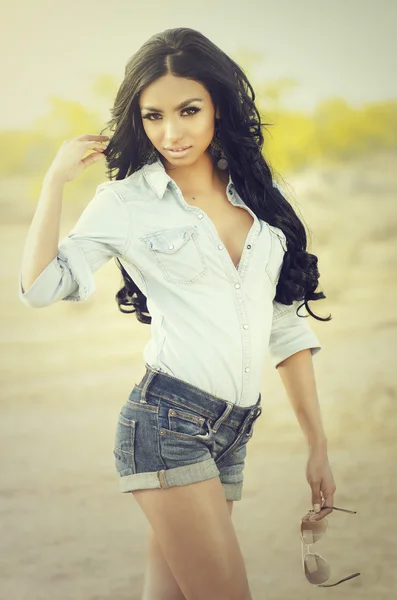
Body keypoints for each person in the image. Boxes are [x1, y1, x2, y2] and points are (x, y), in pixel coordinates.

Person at [19, 27, 336, 600]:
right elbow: (41, 287)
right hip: (168, 425)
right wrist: (53, 182)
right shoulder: (125, 202)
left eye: (188, 110)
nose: (171, 132)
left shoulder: (260, 202)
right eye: (153, 116)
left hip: (232, 430)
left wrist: (318, 445)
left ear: (218, 105)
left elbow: (285, 328)